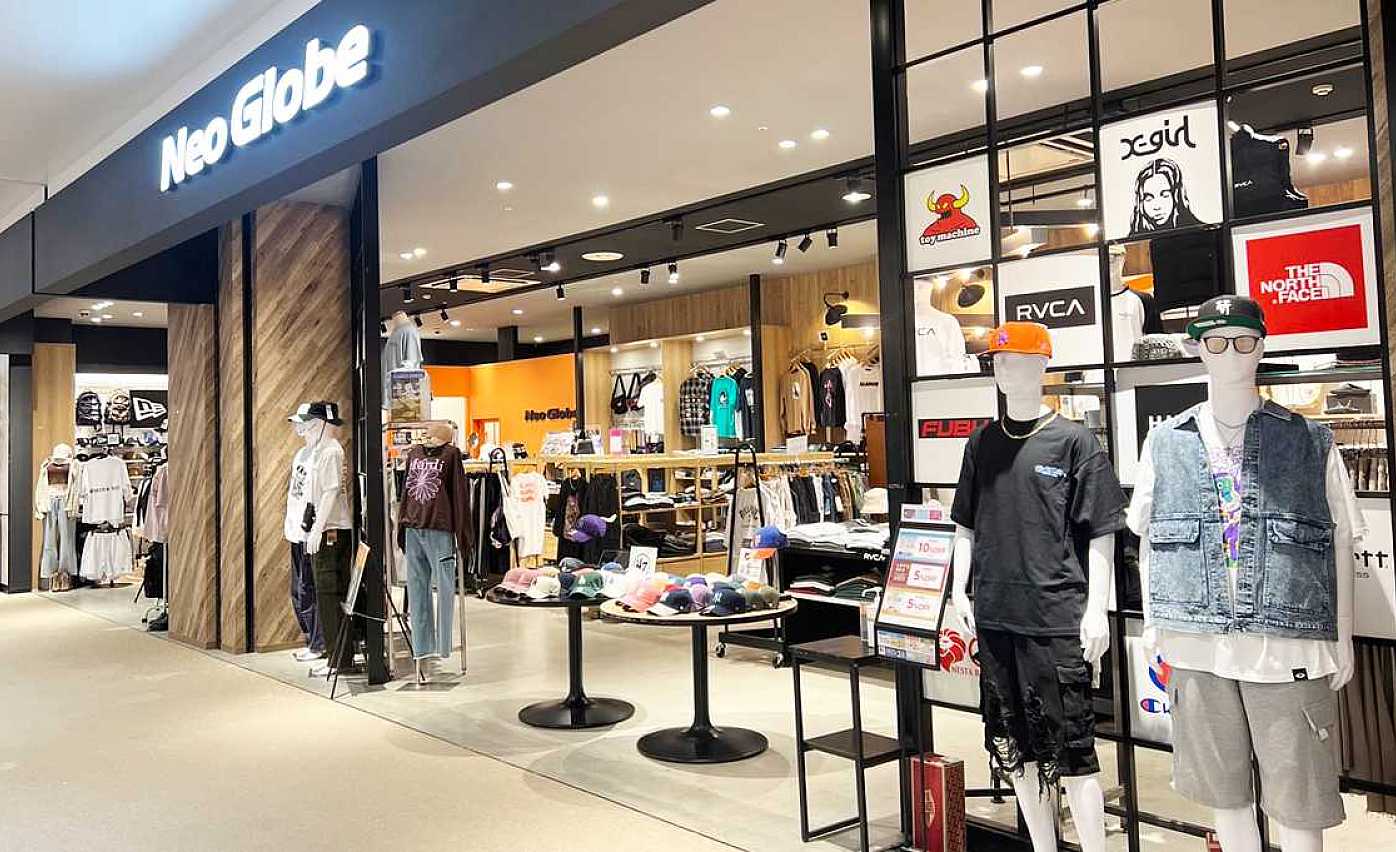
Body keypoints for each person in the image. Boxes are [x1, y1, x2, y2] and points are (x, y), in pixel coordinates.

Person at [1128, 158, 1201, 236]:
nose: (1157, 207)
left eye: (1165, 196)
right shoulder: (1133, 238)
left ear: (1176, 196)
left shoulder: (1201, 232)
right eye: (1148, 199)